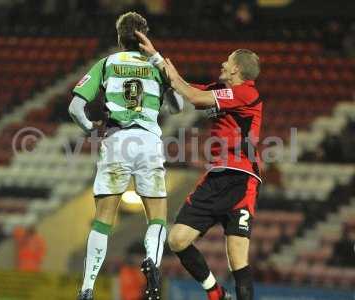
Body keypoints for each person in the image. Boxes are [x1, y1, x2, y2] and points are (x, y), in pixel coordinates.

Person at [136, 31, 262, 300]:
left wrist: (165, 68)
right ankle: (216, 293)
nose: (222, 65)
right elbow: (185, 88)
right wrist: (157, 58)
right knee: (178, 240)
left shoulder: (247, 93)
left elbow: (192, 97)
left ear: (237, 69)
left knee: (238, 259)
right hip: (220, 176)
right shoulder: (222, 91)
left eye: (227, 62)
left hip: (239, 178)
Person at [68, 11, 183, 300]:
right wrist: (160, 68)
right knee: (157, 217)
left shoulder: (107, 63)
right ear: (145, 36)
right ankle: (153, 267)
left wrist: (89, 127)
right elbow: (178, 105)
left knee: (103, 219)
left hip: (116, 140)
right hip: (148, 141)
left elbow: (74, 108)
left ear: (119, 39)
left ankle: (87, 286)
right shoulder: (157, 64)